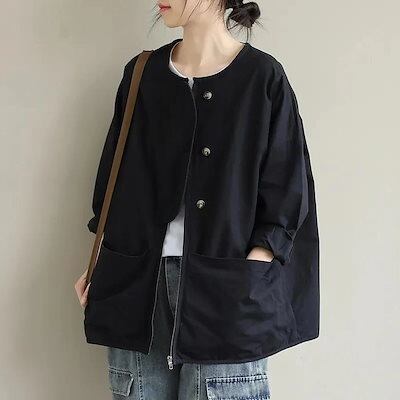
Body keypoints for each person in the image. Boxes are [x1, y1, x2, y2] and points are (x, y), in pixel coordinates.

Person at [74, 1, 320, 398]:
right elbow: (113, 186)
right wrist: (100, 262)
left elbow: (287, 192)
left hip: (227, 292)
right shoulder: (141, 74)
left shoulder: (262, 77)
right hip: (137, 287)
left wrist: (252, 273)